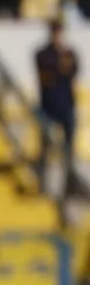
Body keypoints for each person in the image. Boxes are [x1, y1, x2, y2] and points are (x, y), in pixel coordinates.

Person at [35, 18, 80, 195]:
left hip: (66, 107)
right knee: (45, 149)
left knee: (69, 151)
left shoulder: (68, 53)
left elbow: (71, 72)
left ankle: (69, 186)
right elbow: (48, 75)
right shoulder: (43, 54)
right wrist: (60, 67)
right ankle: (42, 186)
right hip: (48, 108)